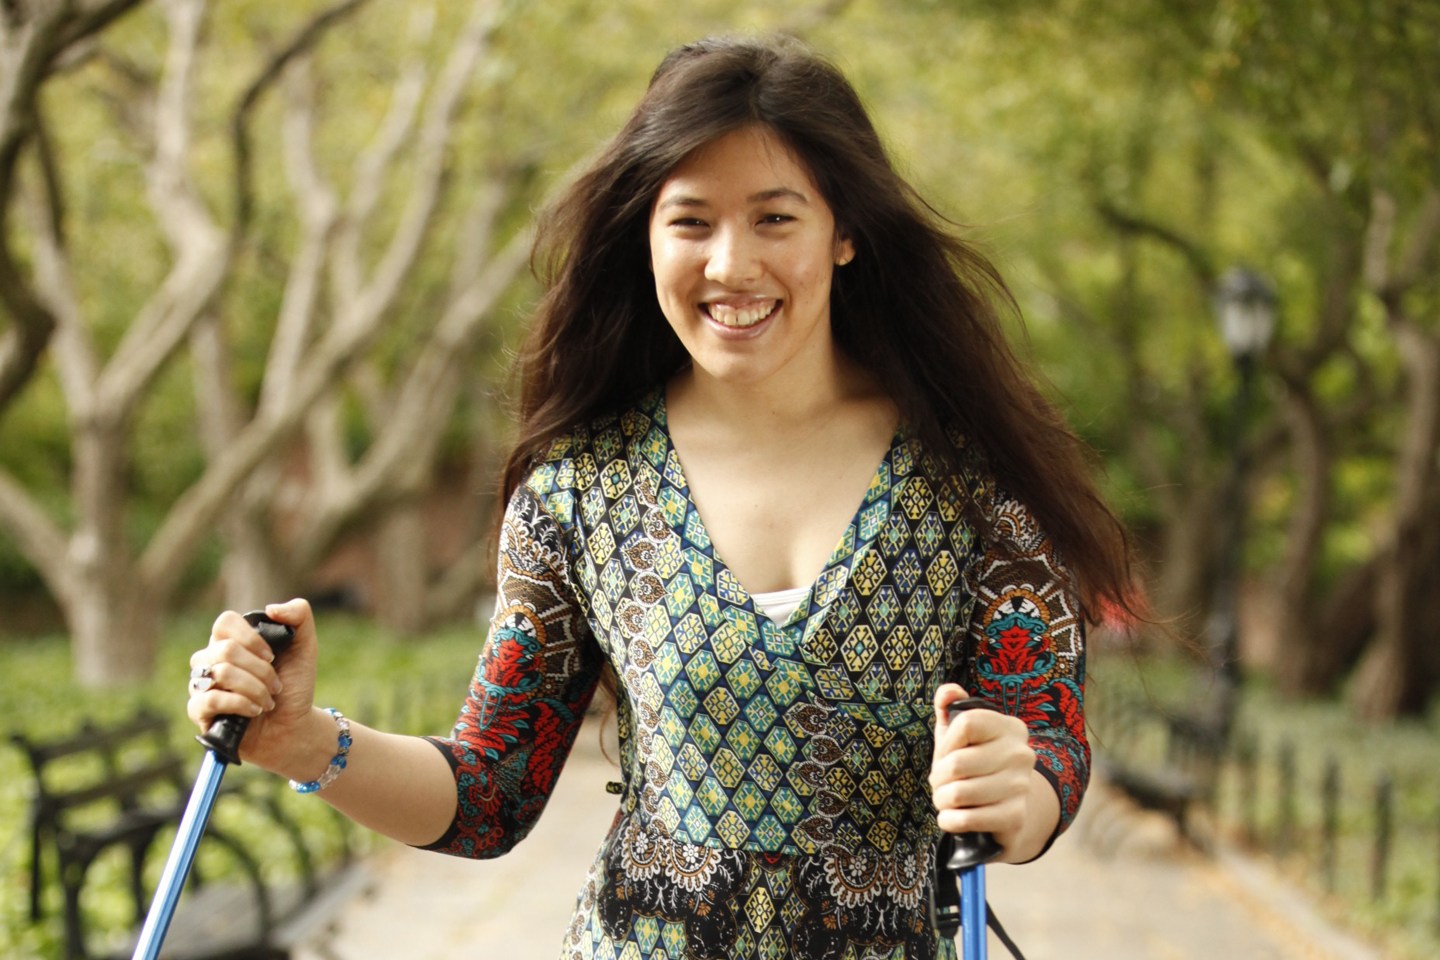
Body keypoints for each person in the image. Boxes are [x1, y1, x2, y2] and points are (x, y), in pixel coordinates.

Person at [187, 34, 1135, 960]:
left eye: (775, 219)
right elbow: (489, 791)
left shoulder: (976, 484)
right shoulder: (580, 491)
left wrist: (1019, 794)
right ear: (644, 236)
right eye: (691, 222)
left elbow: (1048, 739)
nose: (730, 264)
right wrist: (303, 741)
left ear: (844, 233)